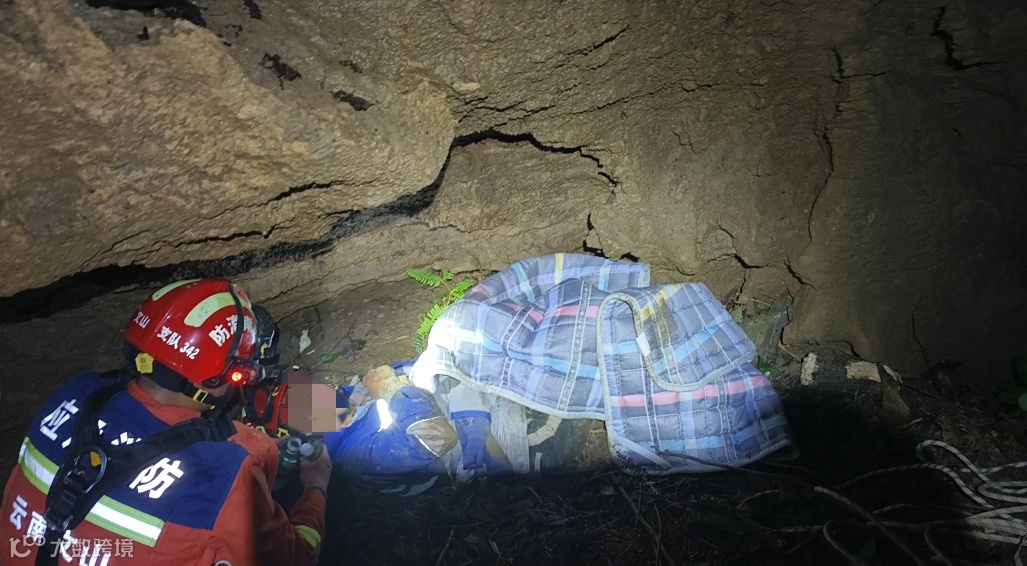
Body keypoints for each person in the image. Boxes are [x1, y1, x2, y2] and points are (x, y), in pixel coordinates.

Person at [0, 278, 331, 565]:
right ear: (218, 377)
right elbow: (296, 557)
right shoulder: (224, 474)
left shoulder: (75, 394)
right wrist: (316, 485)